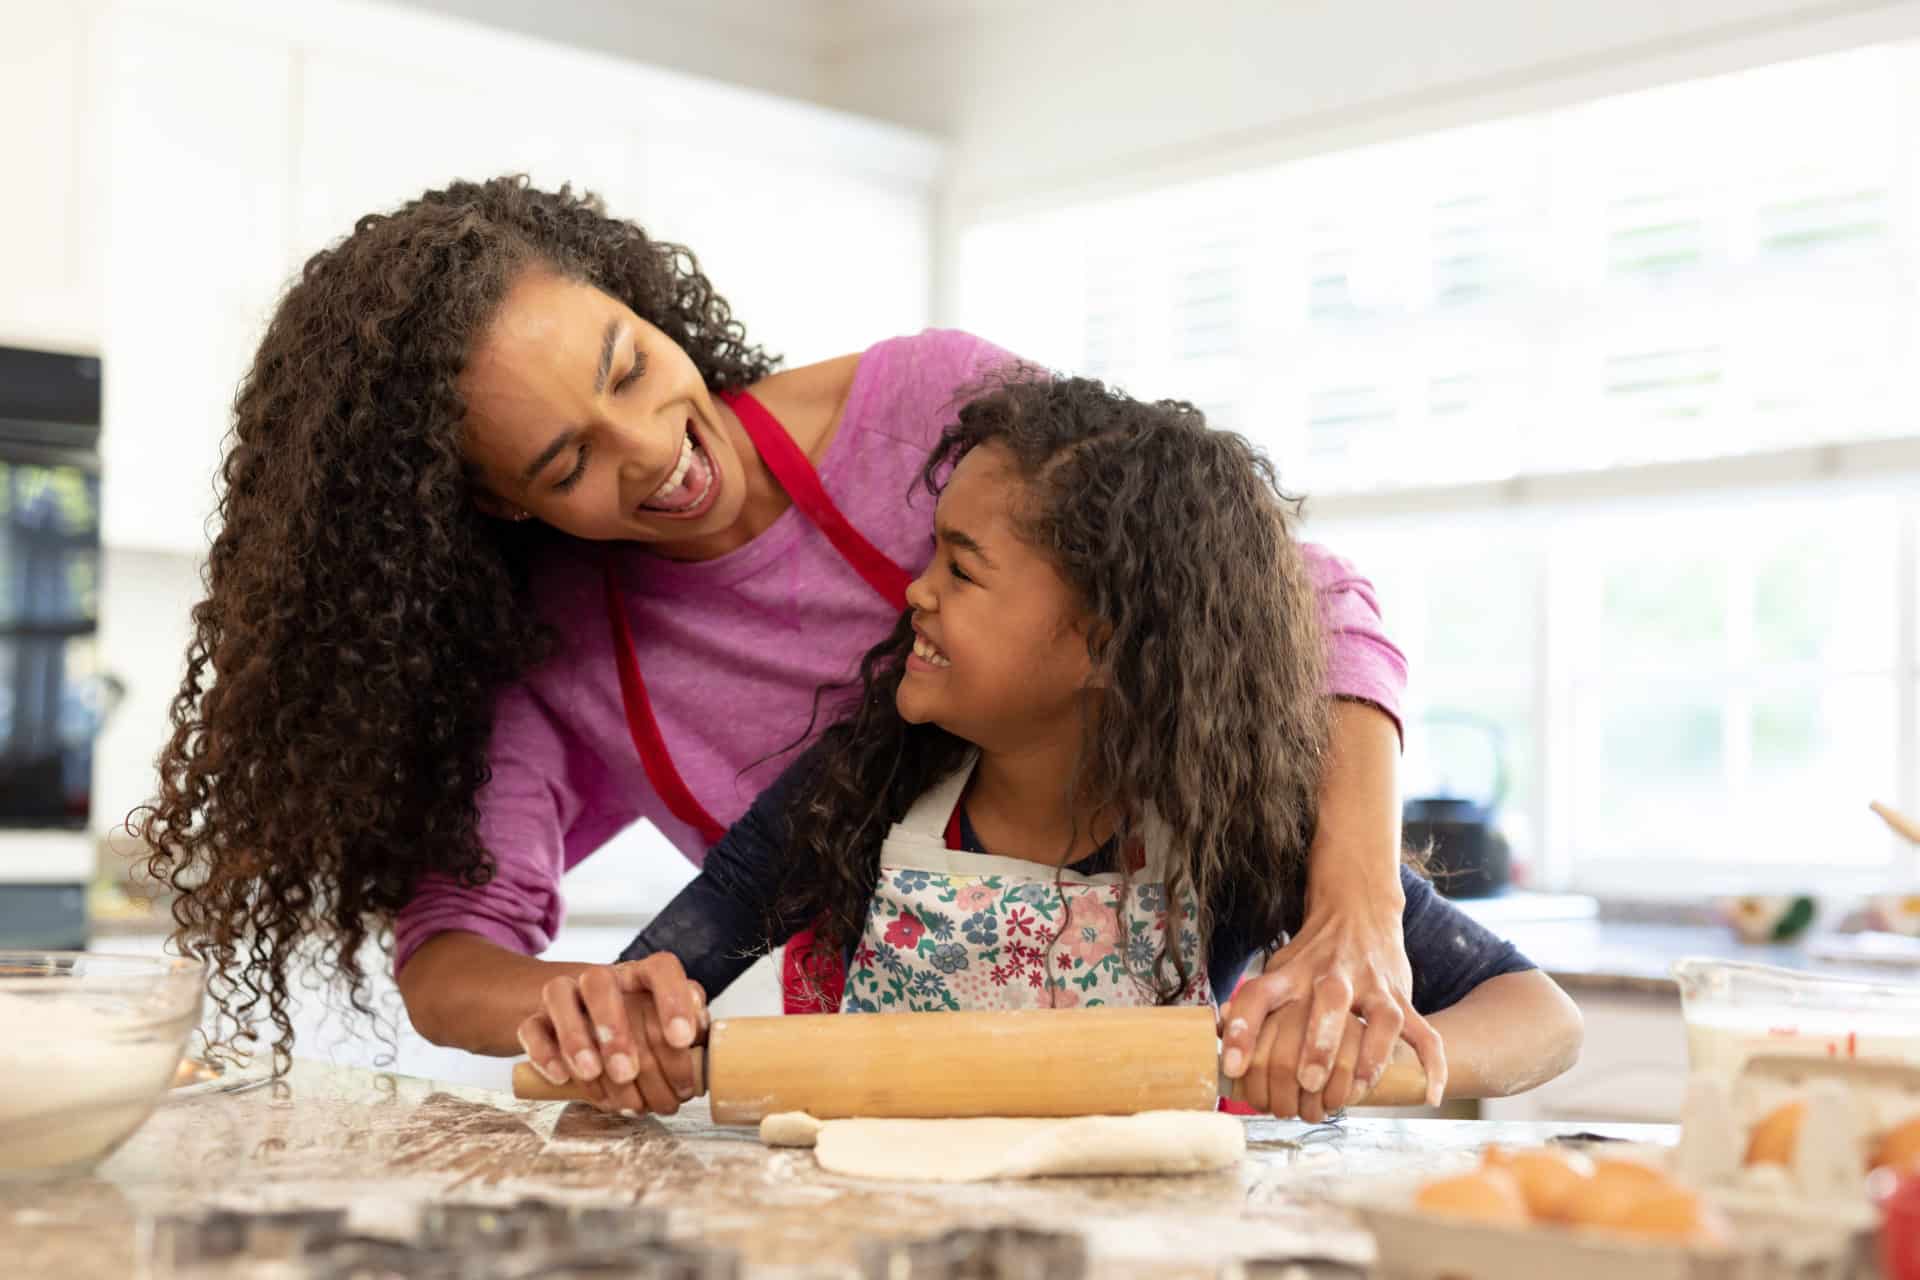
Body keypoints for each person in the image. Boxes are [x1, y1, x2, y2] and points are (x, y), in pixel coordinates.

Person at [139, 176, 1436, 1106]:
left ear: (641, 303)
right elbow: (454, 949)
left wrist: (1358, 906)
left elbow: (1274, 592)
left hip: (1198, 1044)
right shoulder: (558, 647)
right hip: (912, 1106)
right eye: (566, 458)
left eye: (629, 367)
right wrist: (584, 1002)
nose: (653, 451)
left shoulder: (925, 403)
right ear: (495, 500)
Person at [515, 376, 1583, 1120]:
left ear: (1107, 641)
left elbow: (1541, 1015)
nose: (912, 590)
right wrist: (621, 1028)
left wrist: (1365, 1063)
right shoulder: (853, 795)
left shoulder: (1237, 837)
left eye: (962, 569)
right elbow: (651, 985)